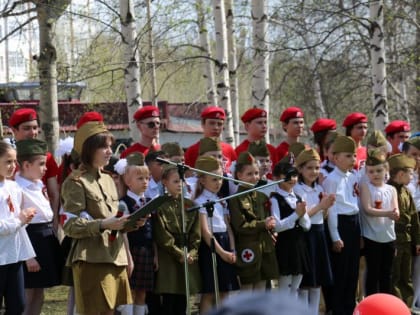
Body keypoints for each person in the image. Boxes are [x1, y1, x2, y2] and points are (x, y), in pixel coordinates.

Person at [61, 121, 135, 315]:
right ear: (88, 149)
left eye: (110, 146)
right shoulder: (75, 182)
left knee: (111, 312)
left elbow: (114, 218)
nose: (109, 151)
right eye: (103, 146)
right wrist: (102, 224)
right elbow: (70, 225)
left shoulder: (109, 180)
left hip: (115, 256)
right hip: (92, 258)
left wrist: (131, 223)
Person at [15, 139, 63, 315]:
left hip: (44, 239)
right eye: (41, 164)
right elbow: (18, 225)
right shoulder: (18, 188)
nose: (45, 168)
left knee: (40, 292)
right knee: (28, 294)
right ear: (26, 165)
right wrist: (28, 256)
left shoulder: (37, 184)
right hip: (30, 241)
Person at [153, 164, 201, 315]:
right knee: (169, 300)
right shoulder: (159, 205)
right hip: (169, 258)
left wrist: (191, 253)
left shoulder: (190, 205)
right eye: (175, 181)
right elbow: (162, 236)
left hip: (188, 257)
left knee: (183, 300)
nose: (180, 184)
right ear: (164, 183)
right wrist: (180, 254)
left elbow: (196, 234)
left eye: (182, 180)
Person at [322, 135, 361, 315]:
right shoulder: (332, 179)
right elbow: (332, 210)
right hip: (341, 223)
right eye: (347, 156)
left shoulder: (352, 176)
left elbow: (356, 204)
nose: (352, 159)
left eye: (354, 156)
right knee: (341, 271)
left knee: (353, 270)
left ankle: (350, 307)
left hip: (353, 223)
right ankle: (338, 309)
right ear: (335, 158)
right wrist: (335, 236)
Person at [228, 152, 278, 290]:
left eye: (256, 173)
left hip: (264, 248)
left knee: (261, 288)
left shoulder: (262, 196)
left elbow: (268, 217)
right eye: (249, 174)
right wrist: (264, 224)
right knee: (247, 289)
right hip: (248, 248)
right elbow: (240, 225)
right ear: (239, 175)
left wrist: (272, 230)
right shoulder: (235, 199)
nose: (254, 177)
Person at [294, 149, 335, 314]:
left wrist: (327, 207)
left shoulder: (319, 189)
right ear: (300, 170)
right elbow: (301, 216)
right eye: (309, 168)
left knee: (318, 279)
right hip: (305, 235)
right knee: (306, 280)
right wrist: (320, 206)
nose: (314, 172)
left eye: (317, 168)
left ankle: (315, 311)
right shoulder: (298, 189)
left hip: (319, 234)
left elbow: (322, 216)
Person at [116, 153, 155, 315]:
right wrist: (127, 257)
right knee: (129, 291)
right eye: (140, 178)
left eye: (147, 178)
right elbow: (122, 231)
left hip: (146, 251)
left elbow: (153, 231)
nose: (145, 182)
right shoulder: (123, 202)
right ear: (127, 181)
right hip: (131, 250)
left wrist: (155, 254)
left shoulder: (150, 201)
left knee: (142, 292)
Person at [9, 108, 60, 232]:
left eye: (35, 128)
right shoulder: (6, 157)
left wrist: (54, 223)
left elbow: (53, 194)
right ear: (14, 131)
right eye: (26, 128)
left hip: (42, 223)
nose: (33, 132)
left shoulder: (46, 157)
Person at [0, 140, 36, 315]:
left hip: (14, 256)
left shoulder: (13, 187)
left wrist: (24, 219)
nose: (13, 166)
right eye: (8, 161)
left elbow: (17, 222)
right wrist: (20, 220)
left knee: (18, 306)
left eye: (15, 161)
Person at [269, 155, 311, 299]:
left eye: (294, 175)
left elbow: (307, 225)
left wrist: (302, 215)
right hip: (285, 245)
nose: (293, 179)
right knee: (284, 286)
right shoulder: (275, 199)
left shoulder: (298, 197)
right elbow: (277, 227)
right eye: (288, 175)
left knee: (296, 286)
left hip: (299, 244)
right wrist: (295, 215)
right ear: (278, 178)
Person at [359, 149, 398, 295]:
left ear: (386, 170)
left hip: (388, 236)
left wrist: (395, 214)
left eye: (378, 170)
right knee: (373, 272)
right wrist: (388, 213)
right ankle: (372, 302)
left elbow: (395, 208)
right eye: (371, 171)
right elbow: (368, 209)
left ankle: (385, 302)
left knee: (386, 273)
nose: (375, 174)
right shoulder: (366, 187)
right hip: (372, 236)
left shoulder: (391, 189)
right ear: (366, 172)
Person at [387, 154, 420, 306]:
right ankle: (396, 307)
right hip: (394, 239)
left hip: (406, 240)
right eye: (410, 173)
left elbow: (414, 218)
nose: (412, 177)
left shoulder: (406, 192)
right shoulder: (387, 190)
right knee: (394, 276)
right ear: (401, 174)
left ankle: (406, 306)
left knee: (406, 276)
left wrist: (417, 241)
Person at [184, 106, 237, 172]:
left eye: (219, 124)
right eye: (212, 123)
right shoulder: (192, 151)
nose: (216, 127)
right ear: (203, 124)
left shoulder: (229, 150)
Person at [402, 136, 420, 312]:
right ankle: (410, 302)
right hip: (407, 226)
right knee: (409, 266)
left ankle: (416, 301)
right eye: (414, 155)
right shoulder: (402, 177)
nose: (418, 159)